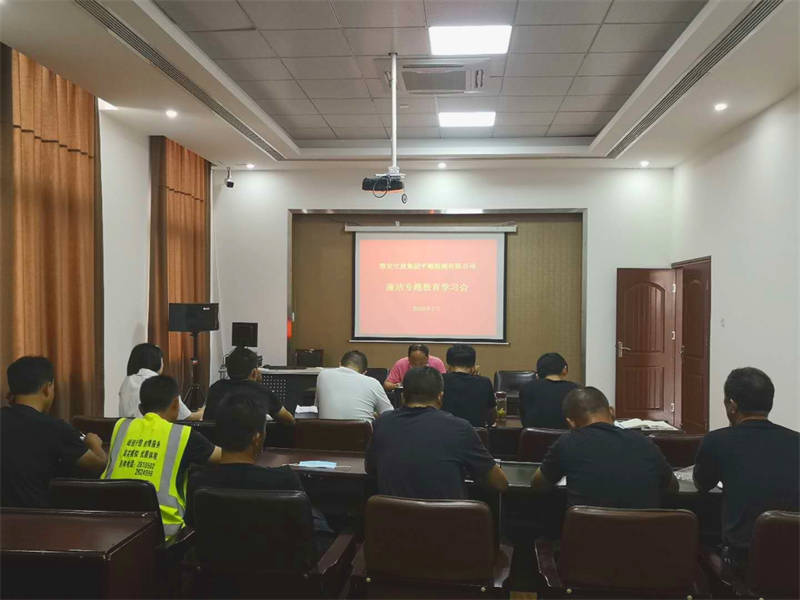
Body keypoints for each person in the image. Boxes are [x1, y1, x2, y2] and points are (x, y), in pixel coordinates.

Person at [187, 392, 334, 556]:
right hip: (280, 569)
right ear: (257, 438)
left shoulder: (197, 482)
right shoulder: (285, 480)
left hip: (216, 570)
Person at [693, 367, 799, 571]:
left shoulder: (717, 441)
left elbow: (702, 484)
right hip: (794, 560)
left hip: (742, 561)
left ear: (732, 405)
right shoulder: (796, 441)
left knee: (696, 541)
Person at [103, 375, 221, 538]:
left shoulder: (121, 427)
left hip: (111, 524)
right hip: (164, 533)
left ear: (141, 408)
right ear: (176, 404)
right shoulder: (183, 435)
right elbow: (224, 456)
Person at [367, 366, 508, 499]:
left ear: (403, 397)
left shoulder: (382, 423)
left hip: (392, 515)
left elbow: (370, 468)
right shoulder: (460, 428)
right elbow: (500, 483)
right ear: (440, 397)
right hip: (446, 516)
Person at [532, 386, 678, 507]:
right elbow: (672, 487)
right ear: (612, 411)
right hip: (644, 532)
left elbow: (538, 484)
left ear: (571, 423)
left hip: (587, 532)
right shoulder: (644, 442)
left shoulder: (567, 442)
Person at [1, 356, 107, 507]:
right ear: (47, 388)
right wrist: (94, 443)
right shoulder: (56, 428)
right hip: (38, 516)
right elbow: (98, 464)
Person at [205, 347, 293, 424]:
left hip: (216, 438)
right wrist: (257, 383)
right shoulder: (261, 391)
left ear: (228, 370)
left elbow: (207, 418)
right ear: (254, 372)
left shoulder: (216, 388)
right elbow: (289, 420)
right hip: (247, 438)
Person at [118, 343, 203, 421]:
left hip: (129, 430)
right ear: (157, 361)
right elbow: (187, 417)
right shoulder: (160, 385)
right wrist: (203, 411)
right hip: (155, 431)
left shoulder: (126, 382)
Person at [315, 350, 393, 421]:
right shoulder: (373, 383)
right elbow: (389, 415)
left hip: (326, 431)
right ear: (364, 373)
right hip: (362, 431)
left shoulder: (323, 375)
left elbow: (318, 408)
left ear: (340, 364)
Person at [441, 344, 496, 427]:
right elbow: (491, 418)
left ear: (448, 363)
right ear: (473, 364)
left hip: (445, 432)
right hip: (476, 434)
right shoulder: (485, 382)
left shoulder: (439, 380)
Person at [519, 353, 578, 429]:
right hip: (566, 436)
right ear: (564, 369)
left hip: (533, 436)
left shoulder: (527, 387)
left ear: (538, 373)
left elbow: (524, 419)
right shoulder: (575, 390)